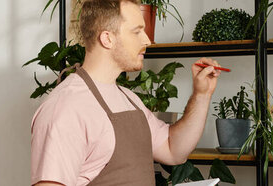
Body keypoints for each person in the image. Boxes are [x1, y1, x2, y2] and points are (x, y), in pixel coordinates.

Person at [30, 0, 221, 185]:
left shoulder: (128, 98)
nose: (147, 40)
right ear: (107, 38)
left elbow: (173, 150)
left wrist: (202, 94)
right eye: (137, 31)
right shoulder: (66, 108)